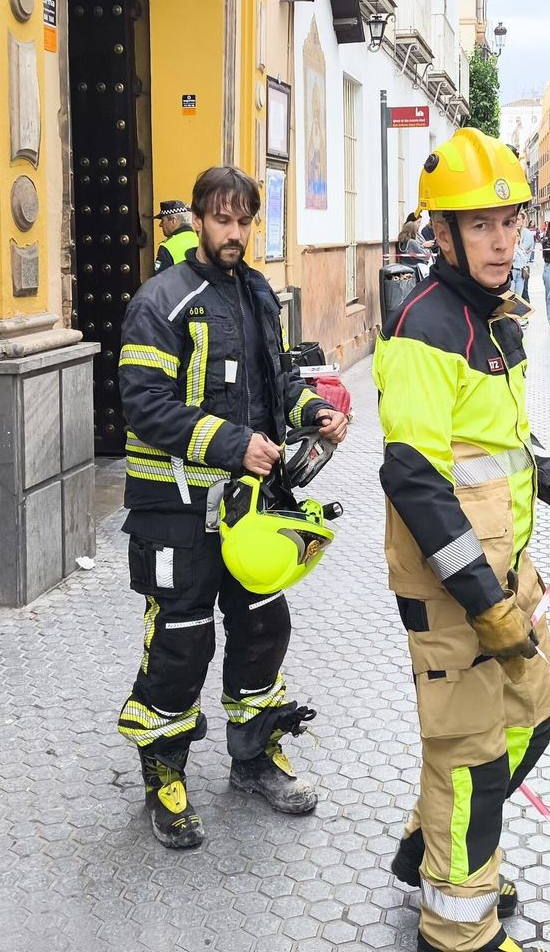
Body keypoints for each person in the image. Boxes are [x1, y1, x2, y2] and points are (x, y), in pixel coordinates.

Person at [375, 129, 550, 952]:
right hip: (454, 592)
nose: (503, 239)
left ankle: (441, 841)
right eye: (482, 224)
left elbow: (503, 443)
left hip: (505, 578)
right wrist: (487, 604)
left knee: (534, 711)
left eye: (510, 219)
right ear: (443, 235)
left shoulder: (495, 319)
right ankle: (457, 926)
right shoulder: (424, 326)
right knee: (468, 757)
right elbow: (419, 481)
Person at [116, 166, 351, 849]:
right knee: (181, 642)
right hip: (177, 511)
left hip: (254, 512)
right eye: (222, 219)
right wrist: (233, 443)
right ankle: (164, 771)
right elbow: (143, 404)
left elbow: (275, 385)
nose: (235, 233)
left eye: (245, 220)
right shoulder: (159, 300)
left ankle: (253, 756)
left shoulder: (256, 291)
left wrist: (316, 412)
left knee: (261, 627)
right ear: (195, 220)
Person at [153, 199, 198, 273]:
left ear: (173, 221)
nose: (160, 225)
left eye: (162, 220)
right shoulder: (201, 240)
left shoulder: (168, 246)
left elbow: (161, 280)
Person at [509, 221, 535, 304]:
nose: (516, 238)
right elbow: (511, 259)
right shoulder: (509, 249)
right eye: (514, 236)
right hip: (512, 272)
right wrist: (515, 249)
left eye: (517, 236)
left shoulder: (521, 249)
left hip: (521, 273)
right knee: (511, 295)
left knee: (518, 295)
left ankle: (517, 315)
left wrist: (519, 250)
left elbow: (525, 260)